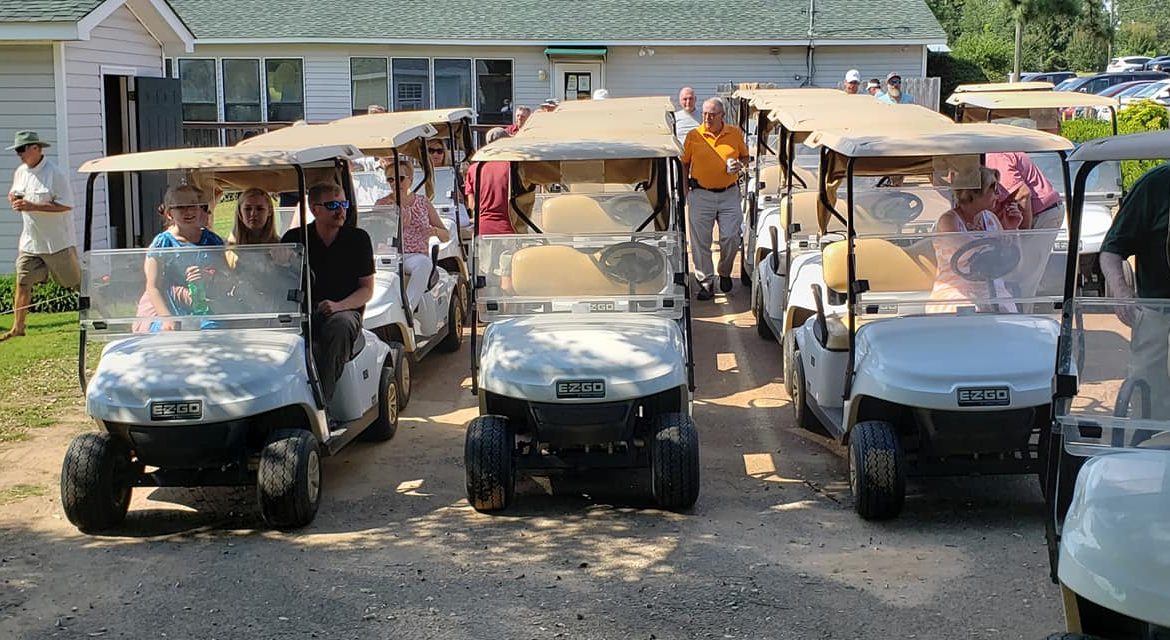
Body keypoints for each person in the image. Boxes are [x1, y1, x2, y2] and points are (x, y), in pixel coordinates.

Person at [280, 183, 374, 404]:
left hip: (345, 311)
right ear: (315, 209)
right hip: (303, 311)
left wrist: (339, 305)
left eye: (343, 204)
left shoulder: (358, 239)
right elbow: (280, 285)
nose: (341, 211)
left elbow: (367, 289)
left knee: (339, 326)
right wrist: (280, 263)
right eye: (333, 205)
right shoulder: (294, 238)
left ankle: (321, 404)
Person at [1100, 163, 1170, 418]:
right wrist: (1122, 293)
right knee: (1148, 390)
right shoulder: (1155, 185)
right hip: (1159, 312)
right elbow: (1111, 250)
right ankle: (1148, 432)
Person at [3, 131, 80, 342]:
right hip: (30, 241)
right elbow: (14, 193)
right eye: (17, 150)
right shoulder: (21, 172)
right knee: (22, 282)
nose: (19, 154)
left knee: (76, 283)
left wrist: (32, 206)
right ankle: (18, 328)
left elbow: (66, 205)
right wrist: (13, 199)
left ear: (36, 148)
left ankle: (103, 314)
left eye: (22, 149)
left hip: (57, 243)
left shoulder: (55, 174)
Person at [133, 185, 226, 333]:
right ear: (169, 214)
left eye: (192, 205)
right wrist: (166, 318)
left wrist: (208, 276)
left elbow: (226, 276)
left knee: (215, 332)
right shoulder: (162, 244)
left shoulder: (213, 241)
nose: (188, 211)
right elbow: (152, 287)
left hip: (204, 308)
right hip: (167, 308)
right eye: (181, 207)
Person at [928, 167, 1022, 313]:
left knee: (1007, 311)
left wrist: (1012, 229)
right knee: (971, 311)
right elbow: (969, 254)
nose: (998, 194)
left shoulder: (990, 219)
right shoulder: (949, 221)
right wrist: (998, 243)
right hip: (956, 288)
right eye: (994, 188)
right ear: (975, 192)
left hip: (992, 288)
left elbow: (1010, 262)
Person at [682, 97, 750, 300]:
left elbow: (745, 156)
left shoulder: (734, 133)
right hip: (700, 194)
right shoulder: (694, 135)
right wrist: (685, 190)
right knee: (700, 241)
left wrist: (740, 165)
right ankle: (706, 282)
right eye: (704, 114)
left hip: (729, 193)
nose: (707, 118)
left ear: (722, 115)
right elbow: (684, 163)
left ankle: (725, 271)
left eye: (712, 115)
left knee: (731, 236)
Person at [376, 158, 451, 310]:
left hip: (414, 255)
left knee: (424, 264)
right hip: (390, 254)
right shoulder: (382, 204)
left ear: (410, 179)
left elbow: (446, 236)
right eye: (390, 179)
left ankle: (408, 309)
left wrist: (435, 231)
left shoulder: (423, 202)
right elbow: (376, 233)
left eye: (400, 178)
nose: (395, 183)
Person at [984, 151, 1063, 230]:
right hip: (1048, 209)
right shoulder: (999, 151)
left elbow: (1022, 194)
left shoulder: (994, 157)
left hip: (1042, 213)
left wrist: (1024, 232)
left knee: (1025, 238)